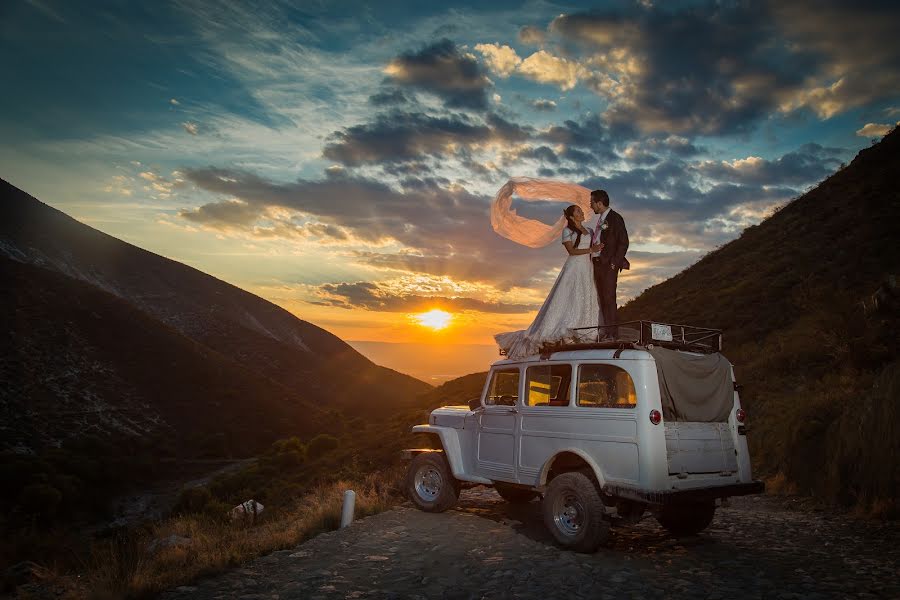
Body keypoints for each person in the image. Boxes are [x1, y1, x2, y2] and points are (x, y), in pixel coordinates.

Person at [495, 205, 603, 359]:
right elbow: (571, 251)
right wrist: (591, 250)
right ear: (572, 216)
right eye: (578, 211)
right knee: (568, 296)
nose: (581, 212)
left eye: (580, 210)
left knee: (586, 295)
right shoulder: (567, 231)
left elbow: (596, 246)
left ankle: (585, 329)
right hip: (575, 267)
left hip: (587, 267)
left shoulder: (590, 231)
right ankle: (562, 330)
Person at [588, 189, 629, 340]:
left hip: (608, 265)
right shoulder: (601, 219)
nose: (590, 206)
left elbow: (623, 242)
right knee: (602, 299)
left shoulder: (615, 218)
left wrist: (614, 263)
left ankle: (612, 334)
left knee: (609, 299)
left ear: (599, 203)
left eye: (592, 202)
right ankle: (606, 331)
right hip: (598, 264)